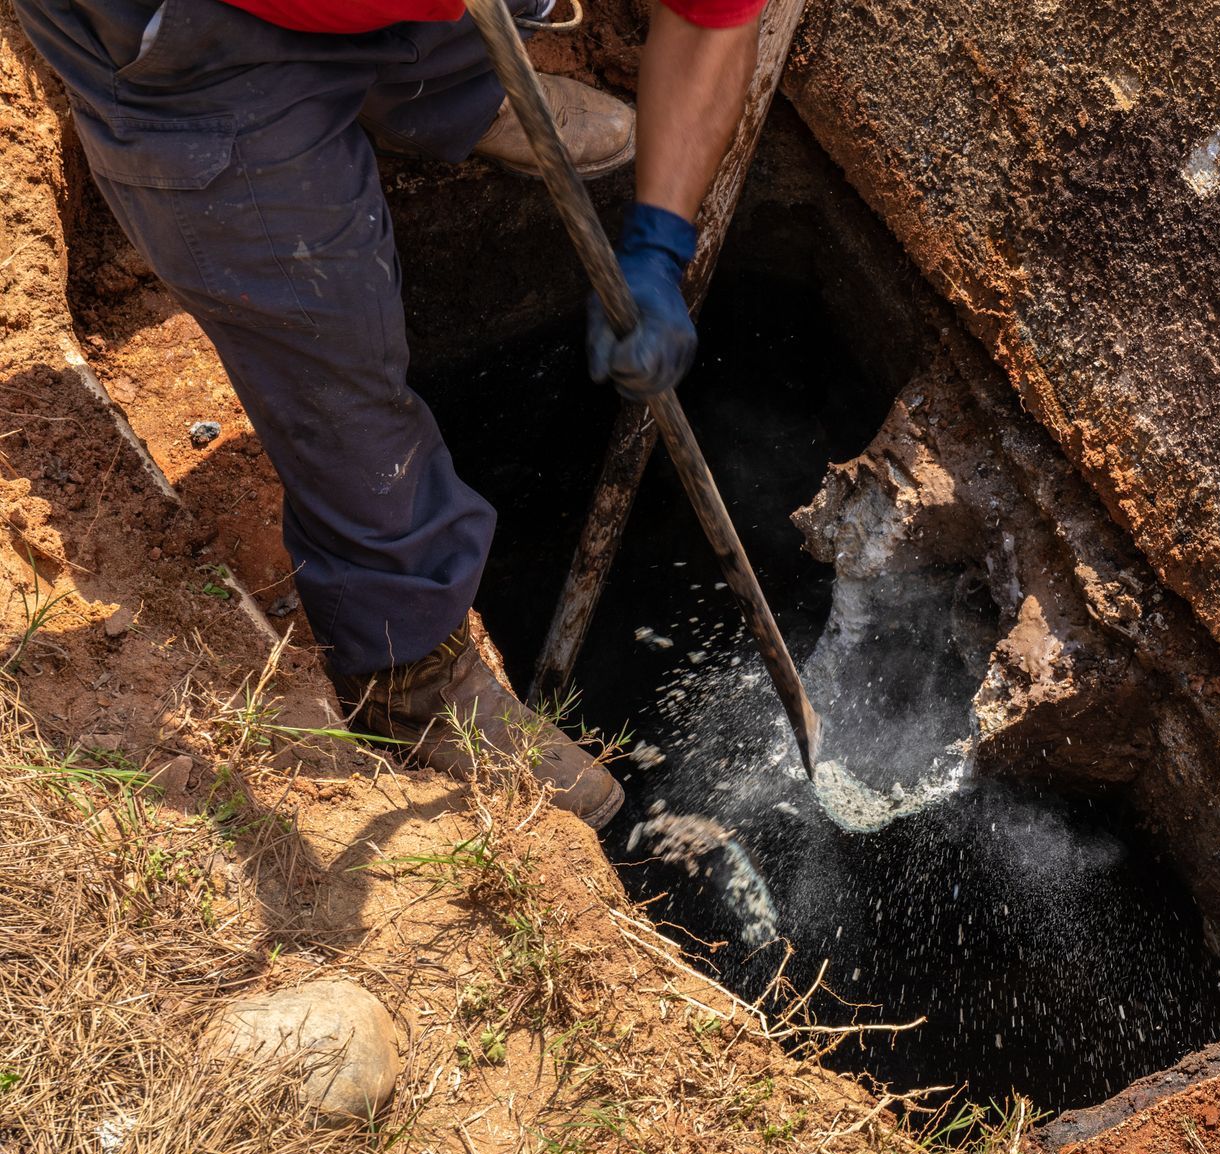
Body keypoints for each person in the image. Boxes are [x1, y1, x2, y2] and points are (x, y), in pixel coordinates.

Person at [16, 0, 767, 828]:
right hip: (192, 36)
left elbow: (712, 22)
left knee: (441, 20)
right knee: (327, 339)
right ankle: (407, 675)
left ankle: (438, 81)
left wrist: (660, 240)